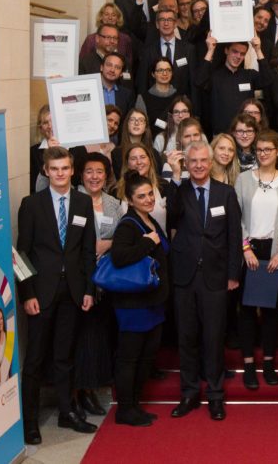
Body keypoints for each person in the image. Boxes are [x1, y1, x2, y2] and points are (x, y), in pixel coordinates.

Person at [17, 146, 98, 444]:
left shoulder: (82, 202)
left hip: (73, 291)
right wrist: (27, 293)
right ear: (46, 171)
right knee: (35, 359)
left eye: (65, 168)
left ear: (72, 170)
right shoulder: (32, 204)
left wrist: (89, 289)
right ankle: (29, 422)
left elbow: (88, 250)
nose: (60, 173)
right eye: (55, 169)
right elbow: (22, 253)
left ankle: (67, 412)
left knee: (65, 356)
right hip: (41, 292)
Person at [164, 141, 242, 421]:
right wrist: (175, 177)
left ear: (210, 162)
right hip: (185, 277)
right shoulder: (180, 190)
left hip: (216, 277)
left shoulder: (226, 193)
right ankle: (189, 393)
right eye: (192, 161)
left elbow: (234, 236)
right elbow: (171, 217)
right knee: (187, 338)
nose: (198, 165)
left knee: (213, 338)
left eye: (202, 160)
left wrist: (233, 275)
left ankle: (216, 395)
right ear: (186, 164)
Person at [234, 131, 278, 389]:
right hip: (248, 250)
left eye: (268, 149)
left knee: (271, 311)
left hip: (275, 251)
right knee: (247, 310)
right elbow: (236, 217)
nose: (263, 154)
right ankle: (249, 365)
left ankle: (269, 363)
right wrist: (245, 248)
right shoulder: (243, 179)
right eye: (259, 149)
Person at [108, 171, 170, 426]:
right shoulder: (128, 224)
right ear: (130, 200)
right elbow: (119, 257)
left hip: (153, 302)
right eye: (141, 196)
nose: (148, 199)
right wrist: (147, 243)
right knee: (129, 358)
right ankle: (125, 410)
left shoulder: (150, 219)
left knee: (146, 357)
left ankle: (135, 405)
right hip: (133, 305)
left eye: (150, 194)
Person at [73, 153, 121, 419]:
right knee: (81, 336)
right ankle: (78, 392)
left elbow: (122, 235)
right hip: (80, 279)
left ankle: (91, 388)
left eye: (99, 171)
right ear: (81, 174)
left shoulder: (114, 204)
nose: (94, 176)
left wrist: (108, 244)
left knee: (98, 336)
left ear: (106, 175)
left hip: (106, 280)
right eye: (89, 171)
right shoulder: (73, 200)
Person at [195, 34, 271, 135]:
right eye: (235, 52)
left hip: (246, 133)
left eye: (242, 54)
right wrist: (210, 50)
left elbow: (267, 80)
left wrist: (258, 50)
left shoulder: (249, 75)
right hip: (222, 135)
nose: (238, 56)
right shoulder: (215, 76)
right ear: (226, 51)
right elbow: (199, 82)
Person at [117, 144, 169, 234]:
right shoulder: (117, 190)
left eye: (142, 157)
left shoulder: (163, 185)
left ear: (150, 161)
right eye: (133, 159)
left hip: (161, 240)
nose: (139, 162)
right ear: (127, 164)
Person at [79, 3, 133, 70]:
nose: (110, 18)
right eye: (106, 14)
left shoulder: (125, 39)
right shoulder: (91, 39)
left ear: (118, 18)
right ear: (101, 17)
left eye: (113, 15)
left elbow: (129, 64)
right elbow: (82, 63)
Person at [134, 57, 178, 137]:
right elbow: (141, 126)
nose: (165, 73)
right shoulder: (143, 98)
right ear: (153, 74)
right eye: (160, 70)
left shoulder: (180, 97)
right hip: (151, 141)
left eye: (168, 70)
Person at [99, 53, 135, 118]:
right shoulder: (90, 89)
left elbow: (127, 120)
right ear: (101, 67)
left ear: (121, 73)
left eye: (117, 67)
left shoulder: (127, 95)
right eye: (109, 65)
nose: (112, 70)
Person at [30, 105, 54, 193]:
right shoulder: (33, 153)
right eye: (45, 123)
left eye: (53, 121)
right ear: (40, 128)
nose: (50, 126)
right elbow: (33, 187)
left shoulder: (77, 149)